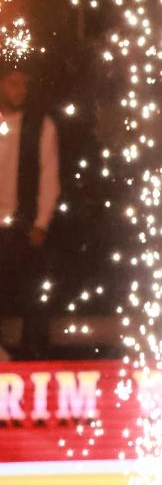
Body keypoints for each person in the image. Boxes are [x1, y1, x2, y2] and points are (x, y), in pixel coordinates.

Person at [0, 64, 59, 359]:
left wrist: (41, 223)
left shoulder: (40, 126)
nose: (20, 91)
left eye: (25, 85)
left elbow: (49, 177)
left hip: (22, 224)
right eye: (13, 84)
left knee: (33, 293)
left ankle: (32, 356)